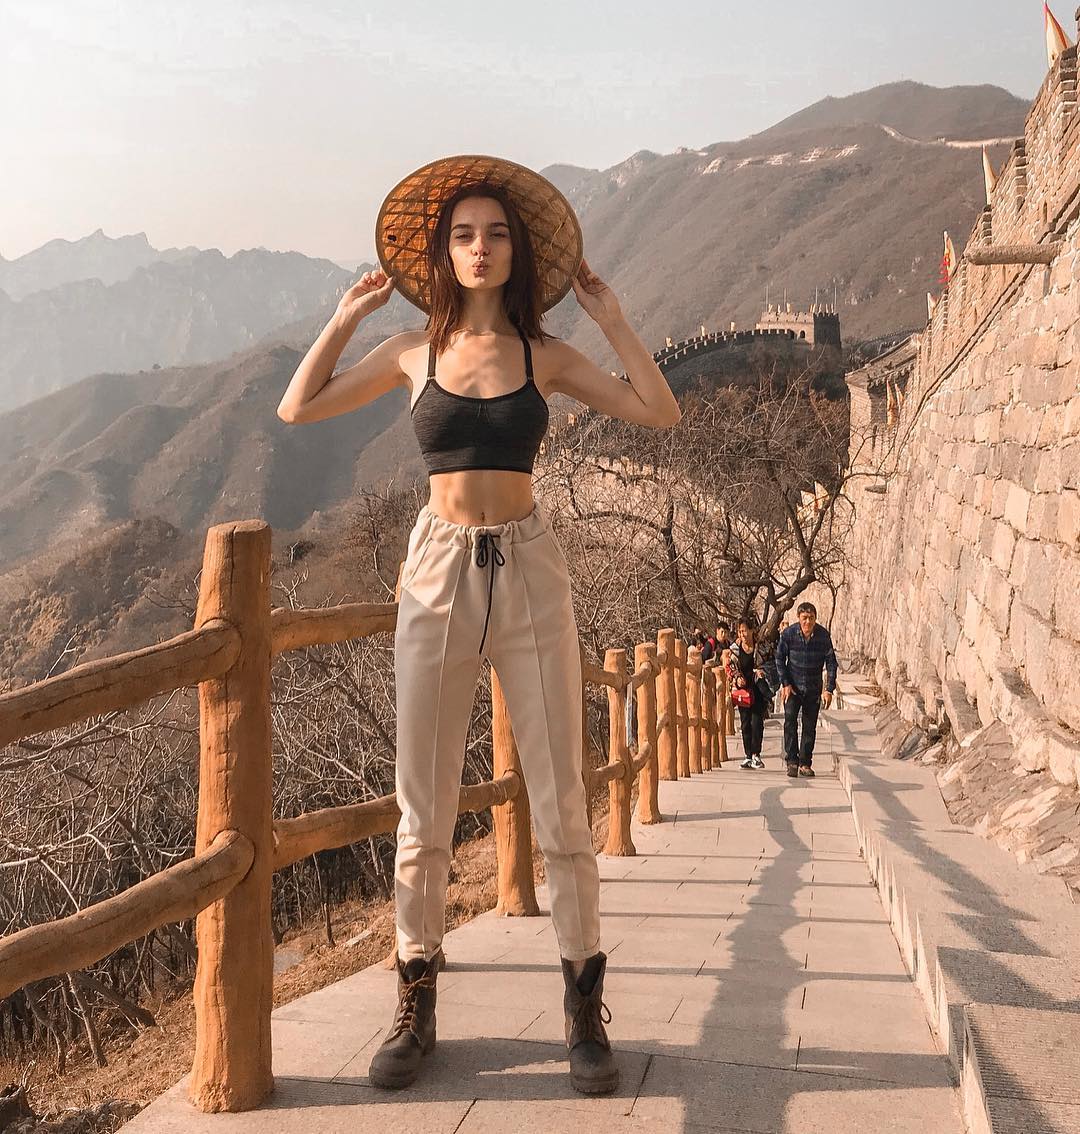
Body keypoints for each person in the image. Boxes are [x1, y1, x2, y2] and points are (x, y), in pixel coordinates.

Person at [276, 155, 680, 1095]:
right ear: (441, 254)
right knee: (422, 804)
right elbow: (297, 408)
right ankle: (415, 1000)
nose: (481, 247)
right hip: (437, 568)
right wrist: (345, 320)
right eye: (464, 234)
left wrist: (613, 320)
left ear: (518, 250)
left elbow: (659, 410)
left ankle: (583, 1004)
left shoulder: (548, 355)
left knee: (562, 801)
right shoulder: (413, 352)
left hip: (531, 567)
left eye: (497, 233)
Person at [775, 602, 838, 778]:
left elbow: (831, 662)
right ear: (799, 618)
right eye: (804, 618)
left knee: (809, 726)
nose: (808, 622)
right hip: (792, 688)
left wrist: (829, 689)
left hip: (812, 687)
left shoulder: (823, 636)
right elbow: (779, 659)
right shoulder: (789, 634)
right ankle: (792, 761)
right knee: (790, 722)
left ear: (815, 619)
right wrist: (785, 683)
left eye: (811, 618)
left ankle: (805, 762)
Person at [726, 619, 770, 769]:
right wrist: (737, 677)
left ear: (752, 630)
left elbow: (770, 663)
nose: (742, 634)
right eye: (740, 631)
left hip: (758, 689)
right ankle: (747, 755)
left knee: (757, 722)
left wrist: (761, 671)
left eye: (745, 630)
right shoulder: (735, 648)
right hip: (743, 691)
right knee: (745, 723)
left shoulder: (762, 647)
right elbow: (730, 666)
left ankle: (756, 754)